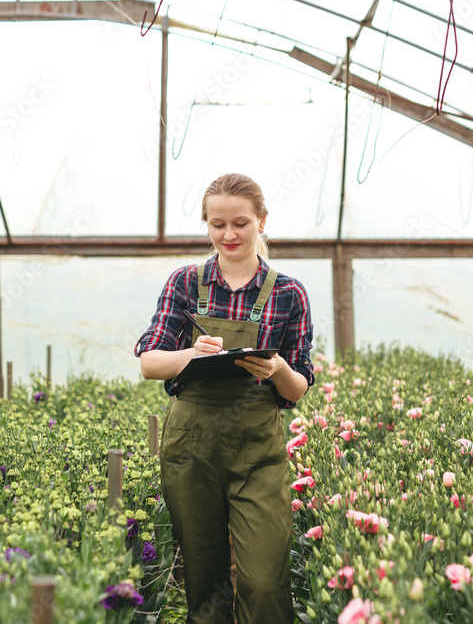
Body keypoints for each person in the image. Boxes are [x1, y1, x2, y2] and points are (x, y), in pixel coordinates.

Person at [134, 173, 314, 624]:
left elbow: (299, 387)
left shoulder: (288, 293)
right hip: (192, 447)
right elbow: (149, 362)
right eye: (217, 224)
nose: (228, 235)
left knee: (264, 579)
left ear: (261, 221)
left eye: (240, 223)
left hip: (257, 450)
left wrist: (277, 369)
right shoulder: (186, 283)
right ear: (207, 225)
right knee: (204, 577)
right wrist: (190, 355)